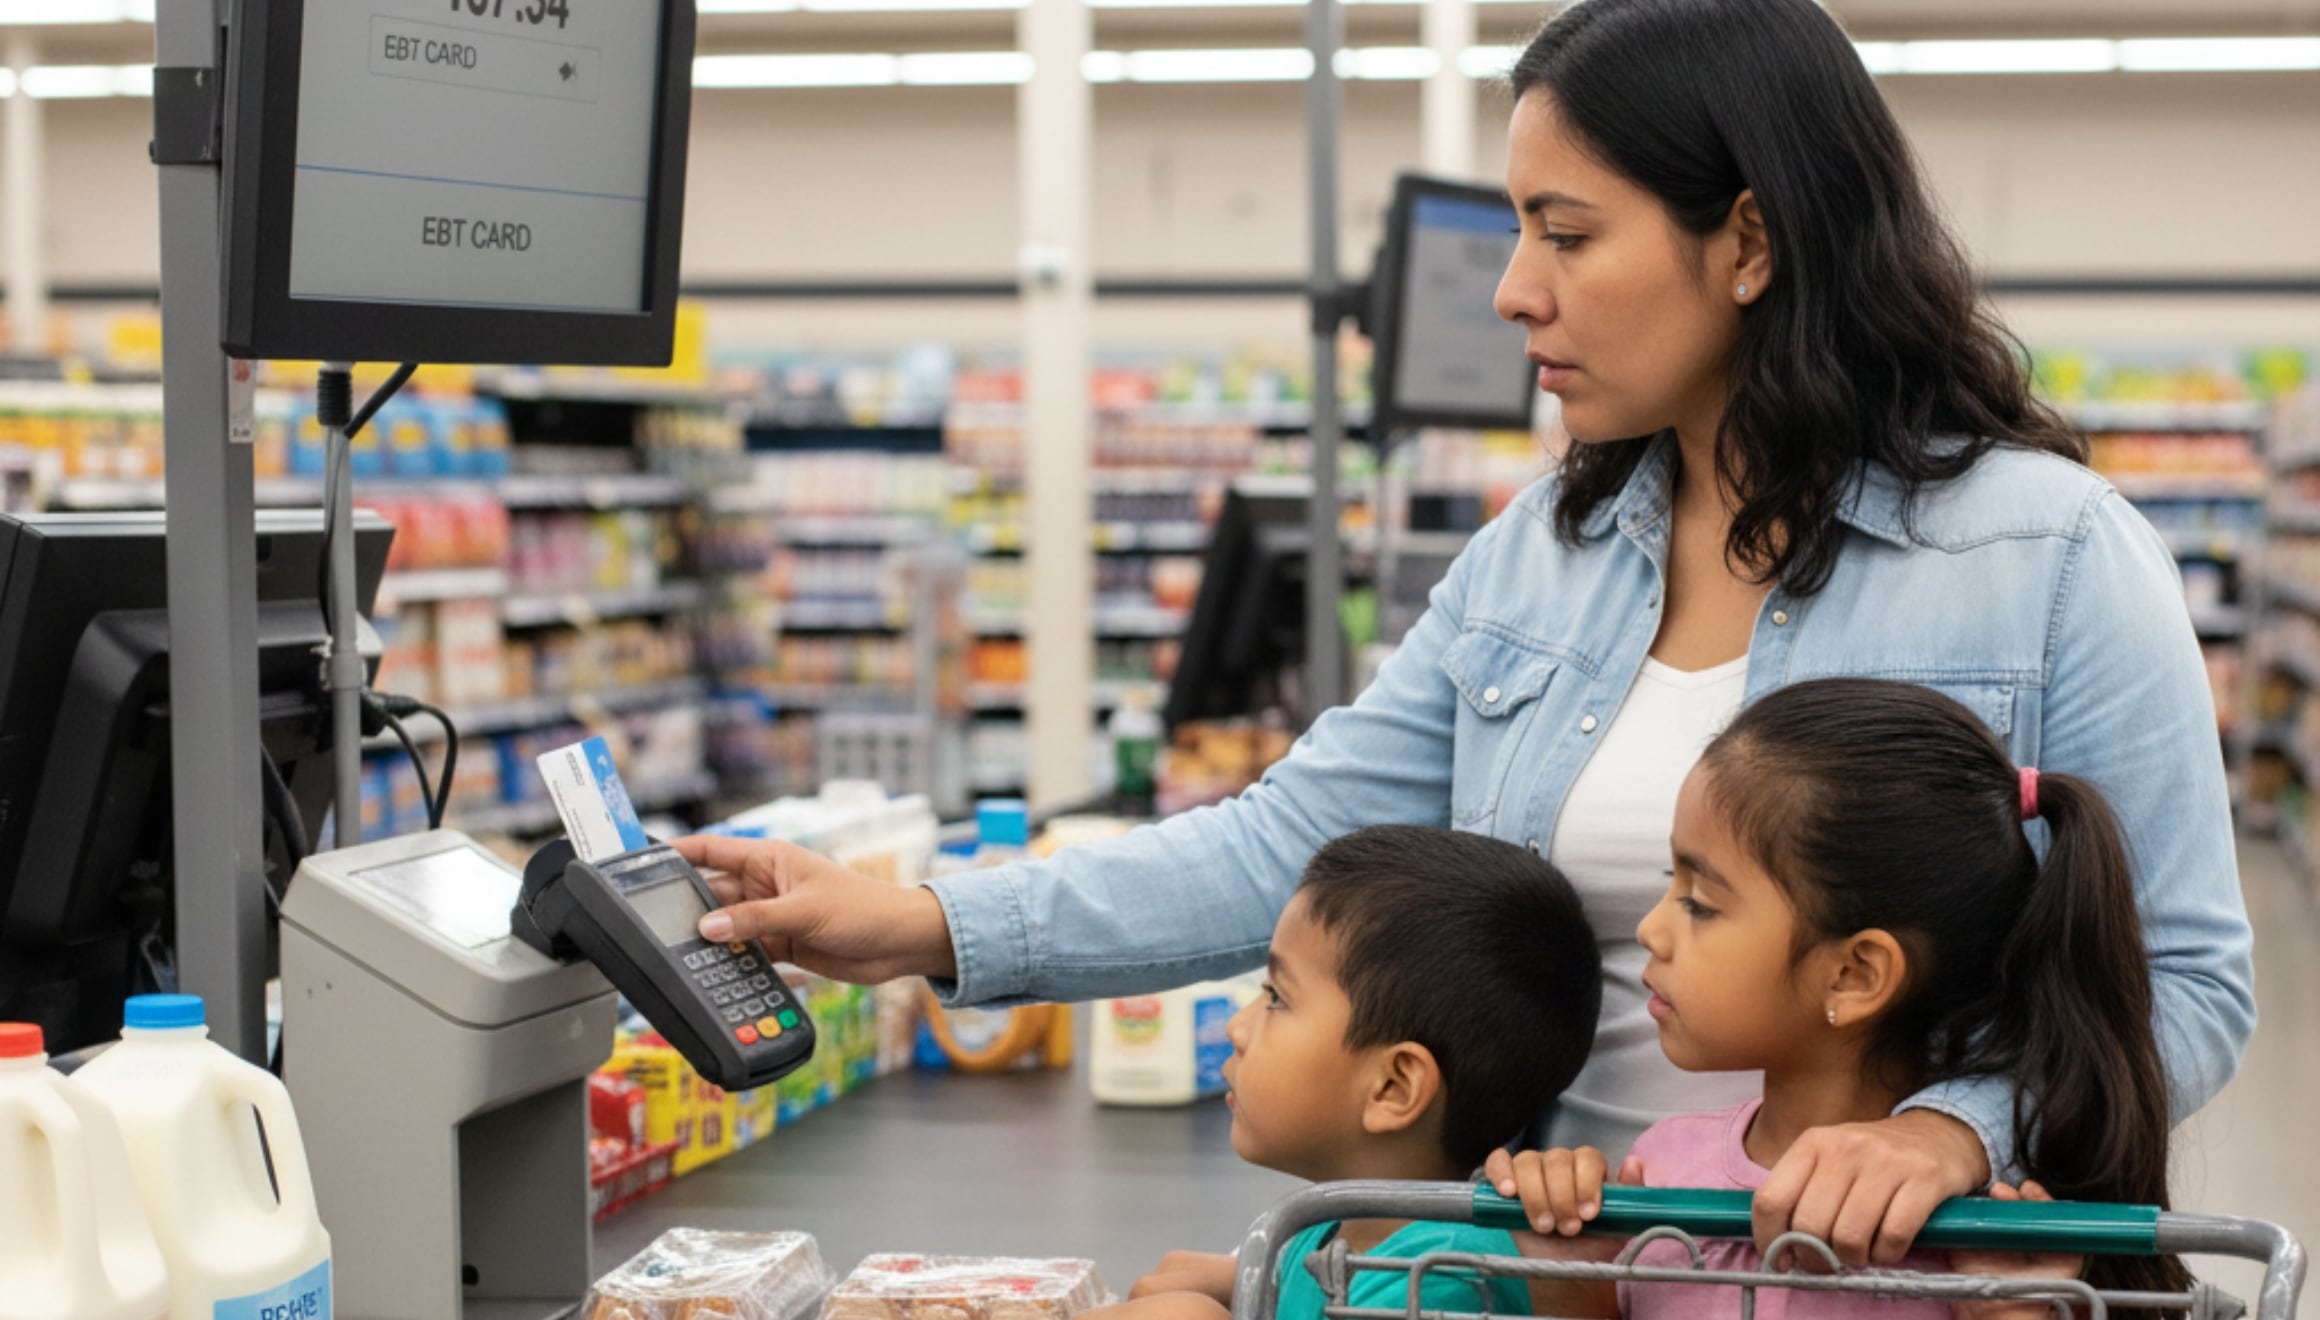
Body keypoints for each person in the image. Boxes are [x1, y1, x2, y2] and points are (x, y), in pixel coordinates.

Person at [677, 0, 2254, 1266]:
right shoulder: (1539, 561)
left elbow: (2183, 981)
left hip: (1866, 1286)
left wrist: (1952, 1134)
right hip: (1559, 1268)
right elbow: (1293, 839)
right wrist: (925, 924)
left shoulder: (2049, 553)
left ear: (1751, 244)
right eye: (1517, 234)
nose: (1515, 292)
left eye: (1566, 235)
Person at [1486, 679, 2186, 1318]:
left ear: (1855, 975)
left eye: (1699, 904)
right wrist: (1574, 1281)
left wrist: (2013, 1313)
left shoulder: (1990, 1246)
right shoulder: (1658, 1171)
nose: (1650, 930)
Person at [1091, 826, 1602, 1320]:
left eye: (1275, 998)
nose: (1237, 1027)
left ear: (1393, 1088)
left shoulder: (1441, 1273)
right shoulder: (1321, 1237)